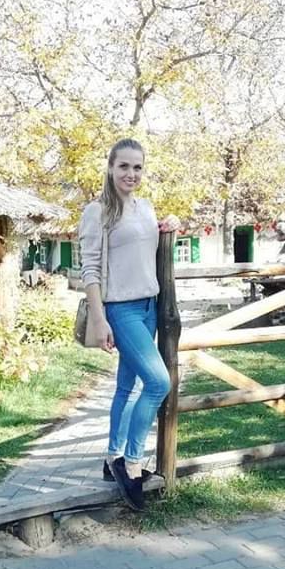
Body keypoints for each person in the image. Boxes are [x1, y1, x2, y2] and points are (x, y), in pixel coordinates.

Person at [78, 138, 180, 511]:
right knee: (158, 382)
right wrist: (101, 319)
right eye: (123, 166)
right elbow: (90, 270)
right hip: (121, 310)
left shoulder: (145, 207)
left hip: (149, 306)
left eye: (137, 167)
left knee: (126, 386)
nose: (131, 174)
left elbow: (145, 248)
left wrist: (171, 225)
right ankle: (132, 463)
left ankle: (112, 458)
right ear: (110, 168)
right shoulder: (97, 212)